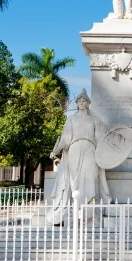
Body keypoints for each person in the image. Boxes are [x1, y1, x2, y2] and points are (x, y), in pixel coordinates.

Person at [46, 89, 110, 224]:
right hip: (74, 149)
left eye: (84, 101)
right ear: (77, 103)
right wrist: (56, 150)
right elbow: (65, 138)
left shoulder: (94, 120)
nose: (81, 103)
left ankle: (90, 209)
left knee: (91, 176)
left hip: (90, 149)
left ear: (88, 103)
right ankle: (75, 209)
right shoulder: (71, 119)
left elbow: (102, 135)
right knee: (74, 180)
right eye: (79, 101)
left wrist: (117, 136)